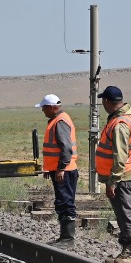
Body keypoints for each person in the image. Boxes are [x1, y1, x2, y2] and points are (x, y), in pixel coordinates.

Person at [96, 85, 131, 263]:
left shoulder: (120, 124)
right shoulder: (125, 117)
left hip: (122, 177)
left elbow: (120, 156)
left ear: (107, 101)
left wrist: (113, 182)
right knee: (122, 214)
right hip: (124, 176)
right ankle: (126, 251)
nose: (103, 104)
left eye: (103, 101)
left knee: (125, 214)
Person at [38, 94, 78, 244]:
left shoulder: (60, 122)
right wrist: (50, 169)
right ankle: (64, 237)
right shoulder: (58, 120)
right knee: (63, 201)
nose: (42, 110)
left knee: (65, 202)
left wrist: (61, 168)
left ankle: (67, 238)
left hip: (64, 171)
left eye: (44, 108)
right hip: (61, 170)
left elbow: (66, 148)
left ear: (52, 107)